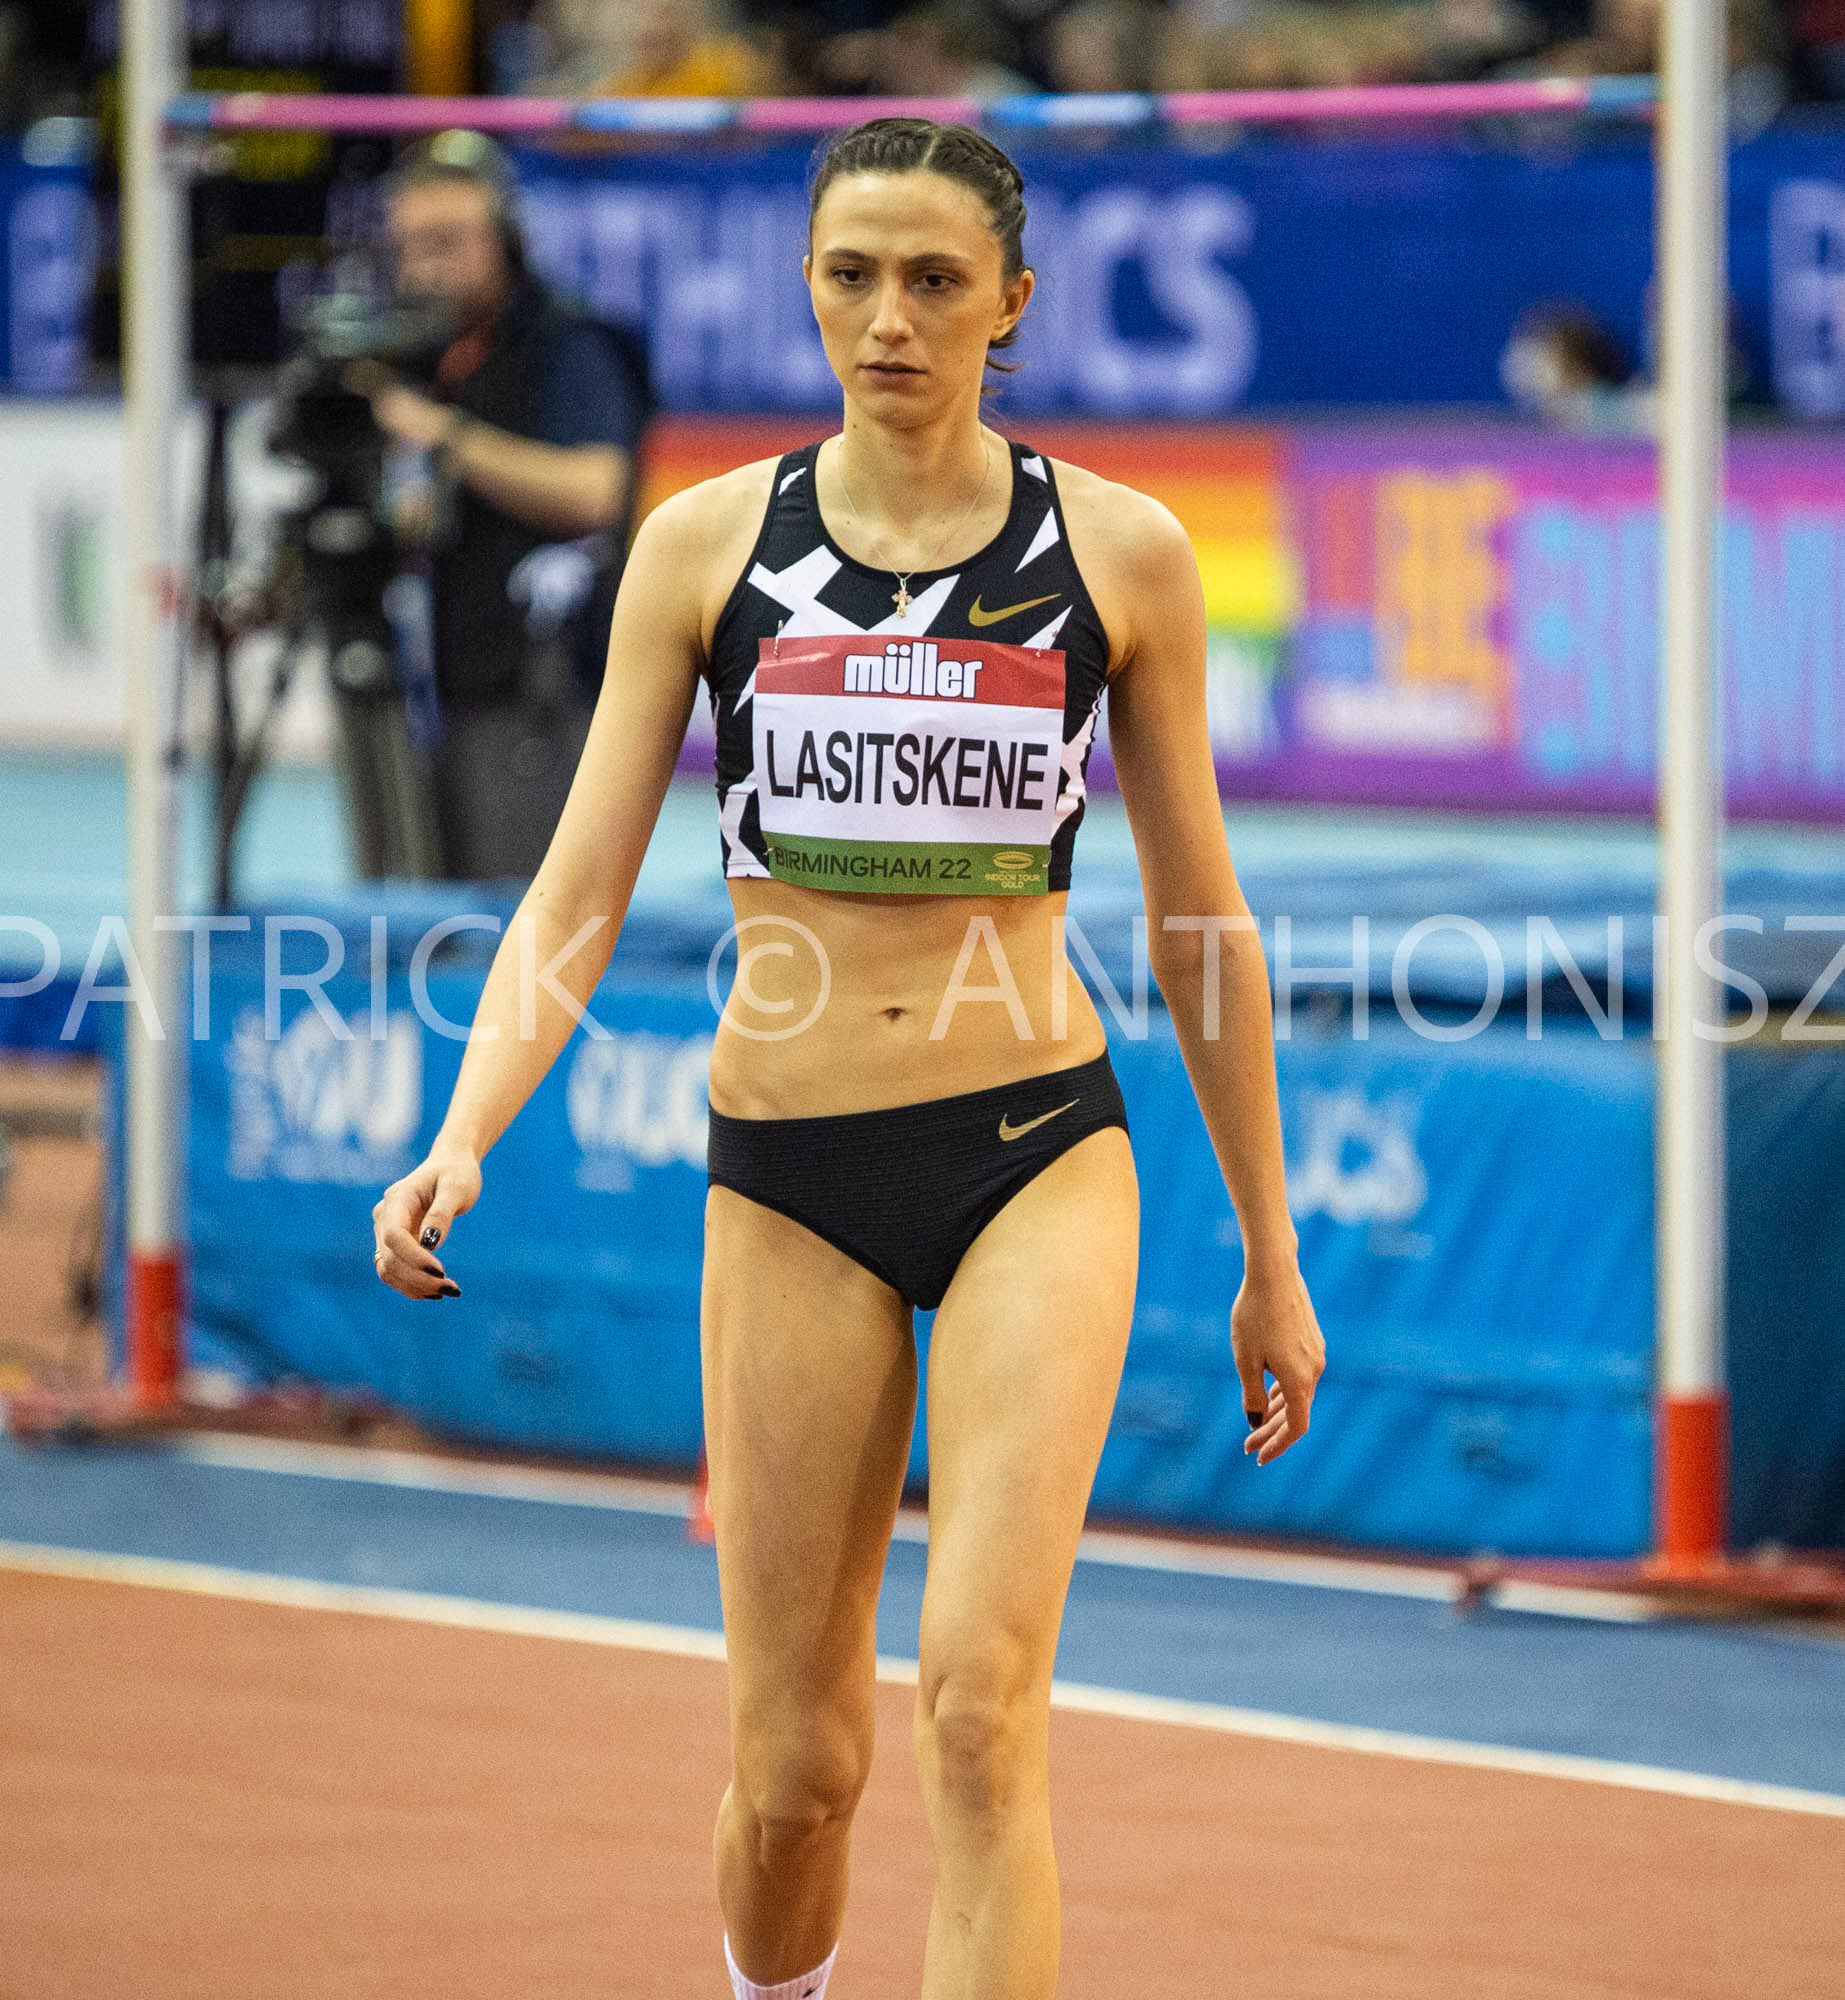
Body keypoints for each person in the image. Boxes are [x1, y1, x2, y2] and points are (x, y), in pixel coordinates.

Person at [370, 115, 1324, 2000]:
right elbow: (572, 891)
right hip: (790, 1176)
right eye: (851, 277)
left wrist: (1269, 1254)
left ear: (1013, 307)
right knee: (796, 1773)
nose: (889, 319)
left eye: (935, 281)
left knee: (983, 1708)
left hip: (1038, 1154)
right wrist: (464, 1130)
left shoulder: (1116, 555)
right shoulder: (707, 547)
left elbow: (1204, 924)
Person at [357, 129, 651, 880]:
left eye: (449, 241)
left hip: (541, 693)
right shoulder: (420, 355)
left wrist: (446, 437)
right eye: (411, 246)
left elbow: (597, 491)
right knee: (433, 907)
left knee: (524, 916)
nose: (427, 267)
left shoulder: (568, 342)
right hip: (446, 678)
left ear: (508, 239)